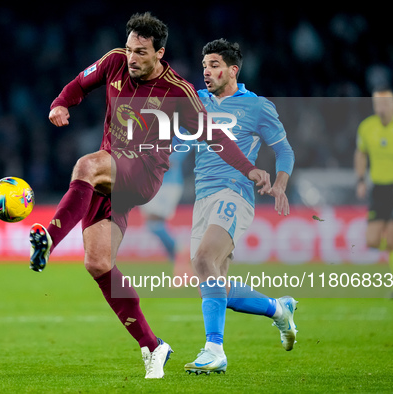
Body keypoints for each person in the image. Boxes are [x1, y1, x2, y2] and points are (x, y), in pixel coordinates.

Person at [28, 13, 271, 379]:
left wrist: (248, 168)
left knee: (86, 166)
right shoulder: (113, 63)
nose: (132, 58)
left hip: (142, 173)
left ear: (160, 53)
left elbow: (214, 137)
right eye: (129, 49)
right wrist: (60, 104)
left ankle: (48, 237)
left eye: (141, 52)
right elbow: (79, 84)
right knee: (98, 263)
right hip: (111, 177)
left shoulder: (178, 91)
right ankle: (153, 346)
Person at [181, 39, 297, 375]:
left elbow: (284, 151)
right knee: (215, 283)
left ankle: (214, 349)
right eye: (204, 65)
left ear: (233, 70)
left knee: (204, 260)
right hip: (202, 197)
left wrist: (280, 185)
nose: (207, 71)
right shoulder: (198, 101)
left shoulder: (257, 106)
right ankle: (278, 309)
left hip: (235, 193)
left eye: (215, 64)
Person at [354, 87, 393, 299]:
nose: (382, 108)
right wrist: (361, 180)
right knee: (373, 240)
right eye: (378, 104)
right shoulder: (367, 127)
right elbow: (361, 154)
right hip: (379, 189)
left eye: (386, 103)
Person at [139, 146, 192, 264]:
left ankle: (179, 250)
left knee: (154, 221)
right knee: (153, 224)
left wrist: (173, 158)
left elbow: (189, 140)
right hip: (153, 182)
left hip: (168, 184)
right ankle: (176, 256)